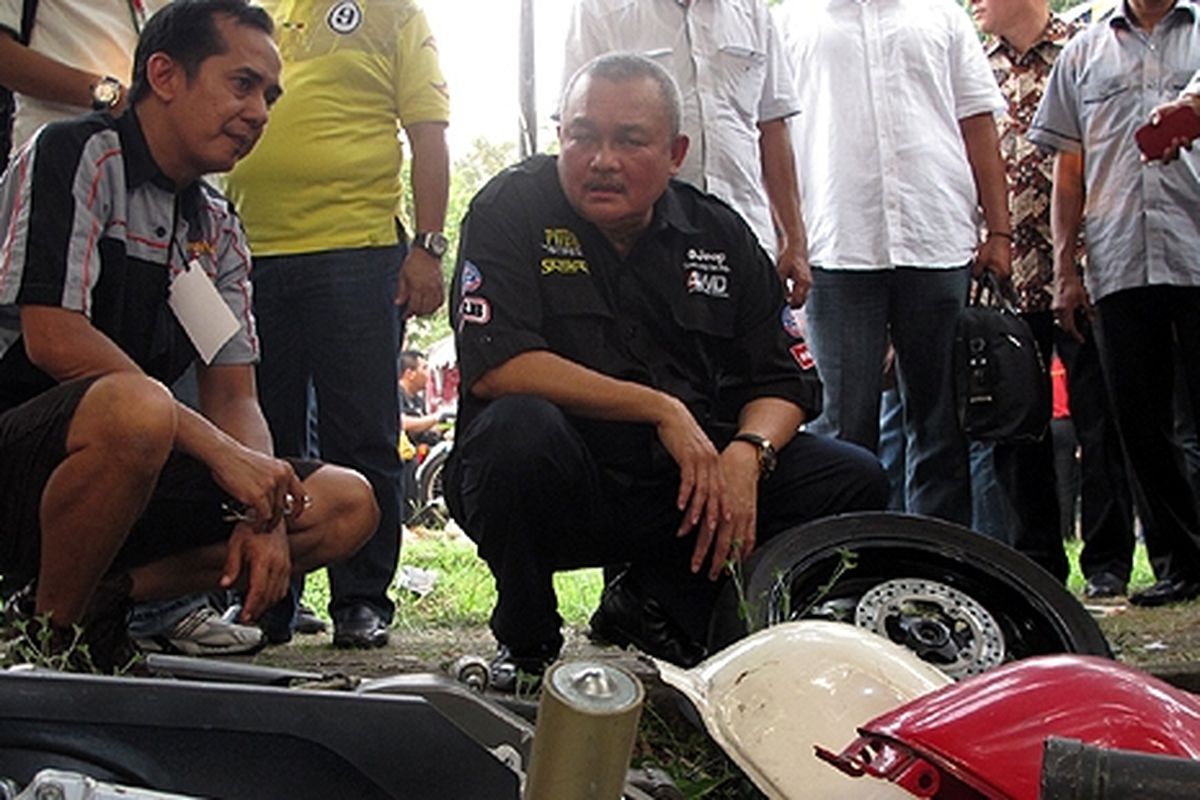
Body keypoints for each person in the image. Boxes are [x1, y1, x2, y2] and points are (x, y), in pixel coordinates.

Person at [445, 53, 888, 692]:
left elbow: (785, 380)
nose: (602, 160)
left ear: (675, 152)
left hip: (684, 486)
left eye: (629, 141)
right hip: (561, 479)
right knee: (518, 429)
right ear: (560, 135)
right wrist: (660, 408)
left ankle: (660, 601)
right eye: (582, 136)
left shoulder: (718, 232)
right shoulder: (509, 209)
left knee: (853, 476)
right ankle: (527, 636)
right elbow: (499, 365)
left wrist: (748, 452)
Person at [0, 0, 378, 672]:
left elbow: (234, 394)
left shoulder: (215, 224)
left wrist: (262, 509)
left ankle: (91, 601)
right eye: (242, 85)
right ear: (166, 76)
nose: (261, 112)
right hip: (25, 456)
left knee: (344, 503)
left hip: (129, 458)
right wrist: (222, 456)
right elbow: (54, 339)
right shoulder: (74, 155)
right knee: (136, 407)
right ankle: (47, 645)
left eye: (269, 95)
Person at [222, 0, 450, 648]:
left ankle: (361, 600)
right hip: (247, 252)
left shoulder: (395, 14)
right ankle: (269, 603)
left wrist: (427, 248)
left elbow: (429, 131)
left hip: (358, 250)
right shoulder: (248, 11)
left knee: (363, 434)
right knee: (263, 438)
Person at [777, 0, 1013, 526]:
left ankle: (937, 572)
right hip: (837, 245)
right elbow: (774, 137)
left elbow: (978, 122)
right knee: (840, 428)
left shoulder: (941, 16)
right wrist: (789, 237)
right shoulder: (793, 20)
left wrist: (999, 231)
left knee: (940, 425)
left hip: (936, 238)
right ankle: (845, 569)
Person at [1029, 0, 1200, 606]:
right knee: (1140, 423)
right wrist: (1064, 270)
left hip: (1196, 247)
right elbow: (1067, 172)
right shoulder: (1082, 52)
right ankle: (1181, 563)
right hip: (1119, 256)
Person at [562, 0, 811, 307]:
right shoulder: (600, 9)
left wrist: (795, 240)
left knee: (755, 351)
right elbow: (576, 129)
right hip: (644, 244)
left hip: (747, 235)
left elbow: (773, 127)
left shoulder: (754, 11)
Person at [398, 349, 447, 522]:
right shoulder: (397, 394)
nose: (428, 373)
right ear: (410, 373)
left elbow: (423, 429)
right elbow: (401, 422)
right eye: (424, 368)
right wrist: (436, 417)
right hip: (404, 460)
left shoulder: (417, 400)